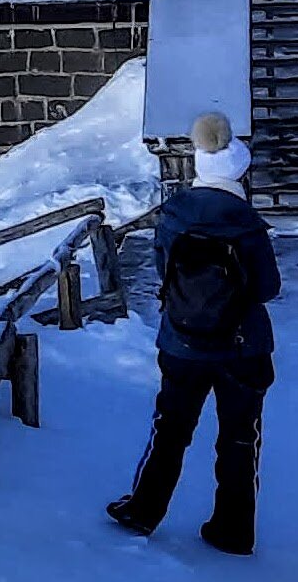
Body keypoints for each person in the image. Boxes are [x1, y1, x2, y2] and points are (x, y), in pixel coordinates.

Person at [108, 110, 281, 556]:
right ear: (240, 173)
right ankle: (234, 528)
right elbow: (268, 287)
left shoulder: (174, 216)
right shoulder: (247, 222)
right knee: (241, 436)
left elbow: (162, 274)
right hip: (243, 347)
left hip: (182, 343)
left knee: (170, 428)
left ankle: (144, 510)